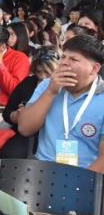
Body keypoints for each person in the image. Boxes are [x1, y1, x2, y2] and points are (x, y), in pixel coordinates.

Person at [18, 35, 104, 171]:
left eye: (73, 59)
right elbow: (25, 128)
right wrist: (50, 92)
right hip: (43, 168)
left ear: (94, 69)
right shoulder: (47, 85)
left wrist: (80, 184)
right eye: (63, 57)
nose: (64, 63)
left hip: (86, 174)